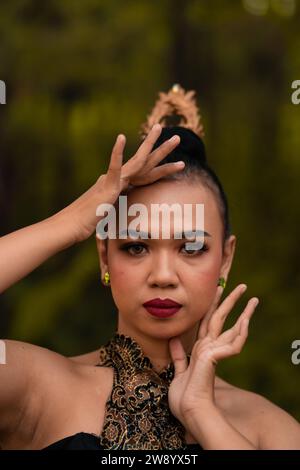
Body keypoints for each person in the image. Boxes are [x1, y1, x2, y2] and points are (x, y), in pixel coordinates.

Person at [0, 85, 300, 451]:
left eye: (190, 247)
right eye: (136, 246)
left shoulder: (266, 426)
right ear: (105, 257)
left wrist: (202, 414)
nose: (162, 276)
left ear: (225, 258)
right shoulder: (35, 389)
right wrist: (73, 221)